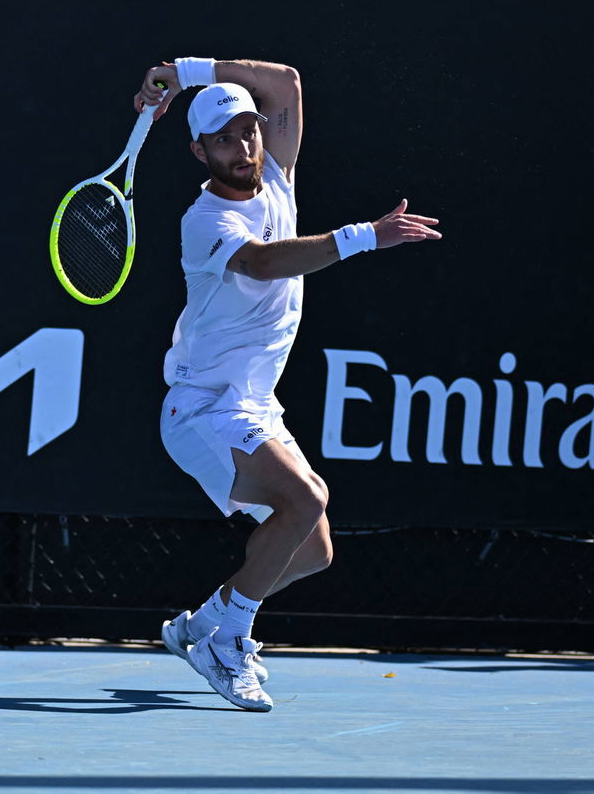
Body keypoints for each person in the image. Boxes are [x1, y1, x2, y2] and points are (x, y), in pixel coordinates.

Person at [134, 57, 442, 712]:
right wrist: (364, 237)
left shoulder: (274, 172)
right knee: (305, 497)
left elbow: (288, 83)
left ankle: (201, 624)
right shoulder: (205, 221)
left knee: (313, 548)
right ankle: (229, 642)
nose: (244, 146)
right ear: (199, 151)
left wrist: (181, 70)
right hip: (200, 410)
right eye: (224, 139)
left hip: (253, 405)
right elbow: (266, 261)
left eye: (248, 130)